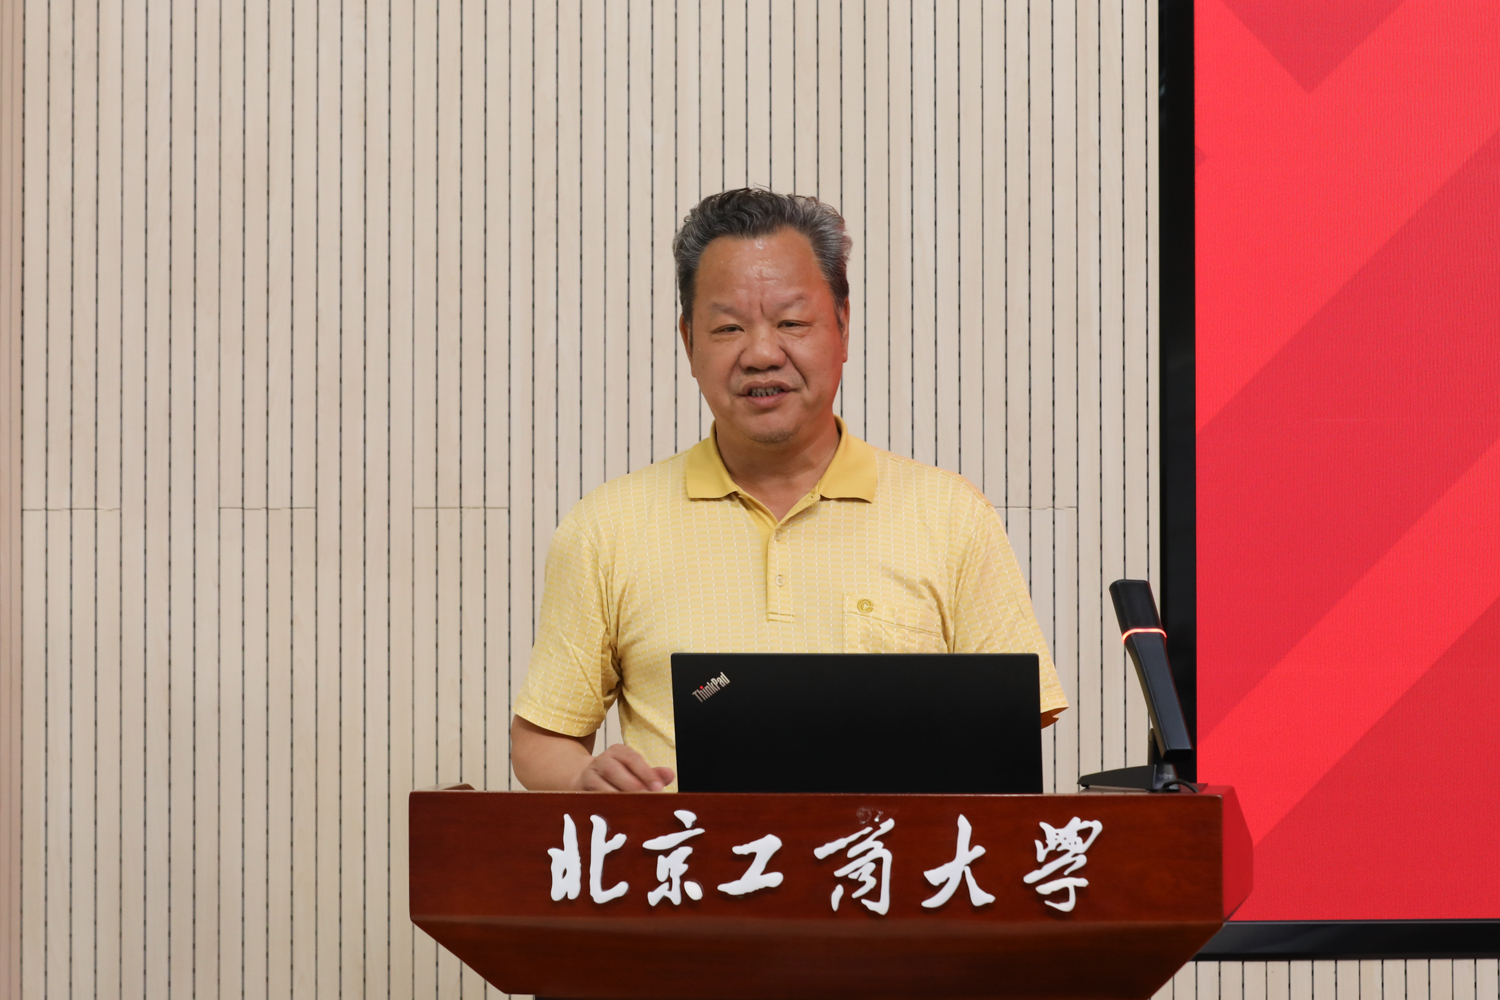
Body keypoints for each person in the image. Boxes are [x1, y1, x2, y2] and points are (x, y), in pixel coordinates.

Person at [510, 188, 1067, 792]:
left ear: (843, 327)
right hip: (685, 855)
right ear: (689, 341)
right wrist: (584, 780)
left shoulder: (951, 513)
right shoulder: (606, 526)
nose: (761, 353)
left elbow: (1011, 722)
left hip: (883, 853)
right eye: (728, 327)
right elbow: (542, 738)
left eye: (792, 323)